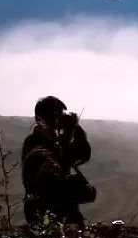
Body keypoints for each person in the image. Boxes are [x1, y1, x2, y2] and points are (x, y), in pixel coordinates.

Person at [21, 95, 96, 226]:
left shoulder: (55, 142)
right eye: (59, 116)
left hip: (58, 213)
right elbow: (49, 184)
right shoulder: (35, 143)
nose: (60, 121)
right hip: (47, 214)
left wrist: (75, 129)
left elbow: (84, 154)